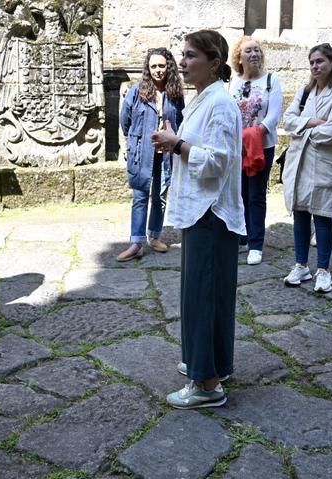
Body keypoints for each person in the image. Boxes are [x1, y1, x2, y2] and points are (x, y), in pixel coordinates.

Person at [151, 30, 244, 409]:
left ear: (214, 62)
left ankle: (205, 384)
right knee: (209, 294)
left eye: (191, 56)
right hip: (202, 211)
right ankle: (212, 364)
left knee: (203, 296)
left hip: (210, 213)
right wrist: (178, 139)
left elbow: (217, 162)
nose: (183, 62)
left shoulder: (220, 103)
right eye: (183, 55)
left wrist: (177, 145)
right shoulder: (204, 100)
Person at [281, 43, 332, 293]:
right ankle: (301, 265)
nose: (315, 66)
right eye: (312, 62)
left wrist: (303, 130)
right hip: (299, 162)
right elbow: (287, 121)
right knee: (300, 214)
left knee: (322, 215)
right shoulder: (304, 93)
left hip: (324, 164)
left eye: (320, 61)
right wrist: (311, 122)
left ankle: (323, 269)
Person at [117, 48, 185, 262]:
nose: (158, 70)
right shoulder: (136, 92)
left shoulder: (174, 94)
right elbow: (124, 121)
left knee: (160, 196)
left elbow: (181, 122)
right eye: (153, 66)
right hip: (141, 153)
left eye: (162, 66)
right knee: (139, 196)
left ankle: (154, 236)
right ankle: (136, 242)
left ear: (169, 67)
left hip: (165, 154)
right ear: (147, 68)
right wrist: (136, 141)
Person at [228, 36, 283, 265]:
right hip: (236, 147)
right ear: (238, 57)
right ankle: (242, 235)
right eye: (249, 51)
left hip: (262, 145)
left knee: (256, 194)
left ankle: (256, 243)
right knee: (239, 192)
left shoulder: (271, 80)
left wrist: (256, 132)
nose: (254, 54)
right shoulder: (232, 83)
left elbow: (274, 113)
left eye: (257, 50)